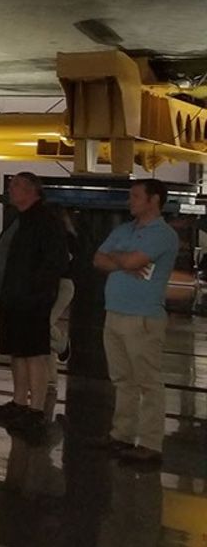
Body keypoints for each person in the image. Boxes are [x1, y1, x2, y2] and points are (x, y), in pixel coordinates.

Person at [92, 179, 178, 465]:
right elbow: (98, 259)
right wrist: (125, 261)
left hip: (142, 316)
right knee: (123, 379)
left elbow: (127, 261)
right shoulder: (124, 229)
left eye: (136, 196)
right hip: (114, 311)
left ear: (154, 200)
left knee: (147, 381)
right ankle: (122, 435)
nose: (130, 200)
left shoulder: (162, 234)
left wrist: (121, 260)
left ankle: (151, 444)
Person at [0, 172, 69, 432]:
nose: (11, 189)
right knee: (17, 351)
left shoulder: (45, 221)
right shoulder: (20, 220)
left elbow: (54, 261)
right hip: (14, 295)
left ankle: (36, 408)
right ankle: (19, 401)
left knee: (34, 353)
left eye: (17, 185)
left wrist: (36, 292)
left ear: (33, 190)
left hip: (31, 298)